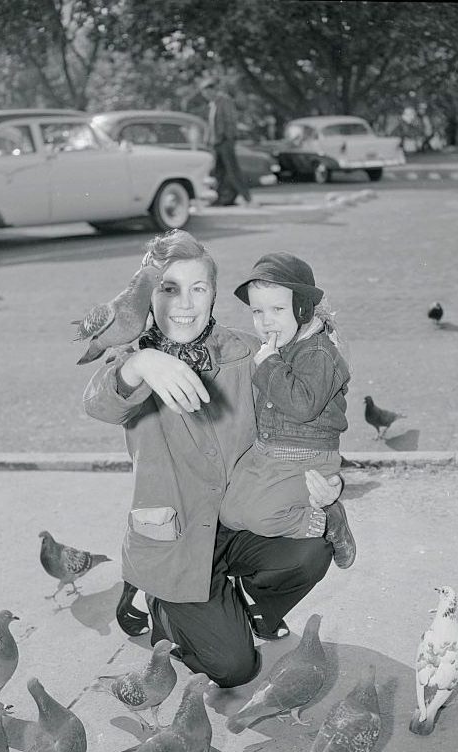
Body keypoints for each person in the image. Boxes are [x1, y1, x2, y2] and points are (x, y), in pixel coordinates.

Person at [82, 229, 340, 690]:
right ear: (149, 296)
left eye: (197, 288)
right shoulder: (134, 362)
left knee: (313, 546)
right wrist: (142, 365)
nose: (184, 304)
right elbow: (100, 402)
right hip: (176, 539)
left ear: (214, 295)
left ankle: (248, 605)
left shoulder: (247, 351)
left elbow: (304, 415)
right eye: (169, 288)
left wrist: (327, 487)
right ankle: (158, 600)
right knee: (236, 669)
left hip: (238, 521)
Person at [219, 253, 356, 572]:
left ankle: (325, 521)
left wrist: (268, 364)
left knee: (262, 516)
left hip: (307, 457)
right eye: (257, 311)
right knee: (229, 512)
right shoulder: (280, 345)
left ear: (303, 309)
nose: (265, 321)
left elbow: (302, 405)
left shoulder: (319, 353)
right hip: (269, 452)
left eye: (277, 310)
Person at [198, 76, 254, 207]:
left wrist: (226, 138)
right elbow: (212, 125)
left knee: (233, 170)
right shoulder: (213, 104)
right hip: (217, 143)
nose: (205, 95)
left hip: (225, 142)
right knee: (219, 173)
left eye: (206, 91)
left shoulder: (224, 100)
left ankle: (248, 198)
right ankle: (220, 198)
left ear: (212, 90)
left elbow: (230, 121)